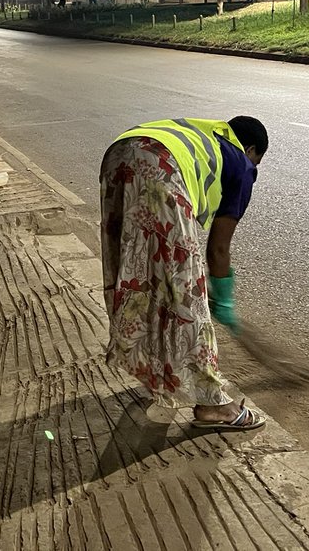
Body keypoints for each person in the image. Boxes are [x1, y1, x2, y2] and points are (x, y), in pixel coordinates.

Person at [100, 116, 268, 430]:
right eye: (256, 160)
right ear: (251, 149)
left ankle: (153, 371)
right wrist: (223, 298)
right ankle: (212, 406)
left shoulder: (205, 136)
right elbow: (218, 250)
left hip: (118, 154)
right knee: (185, 289)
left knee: (139, 273)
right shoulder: (242, 164)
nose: (253, 168)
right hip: (160, 165)